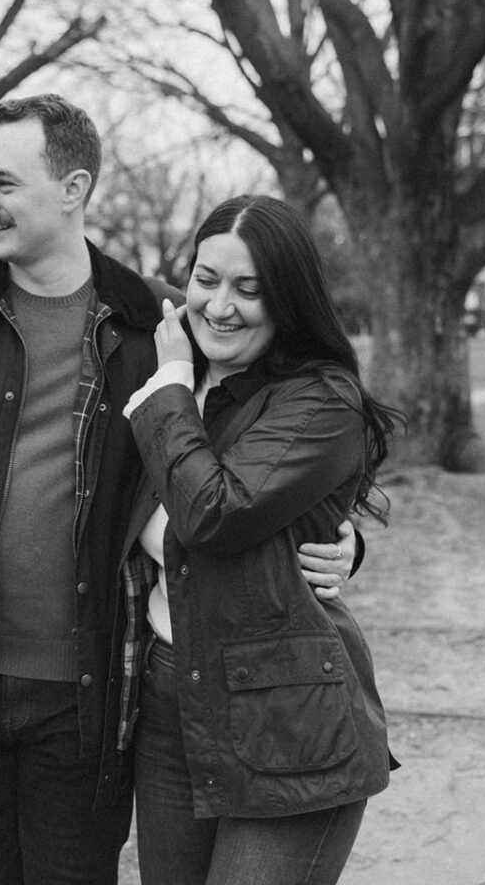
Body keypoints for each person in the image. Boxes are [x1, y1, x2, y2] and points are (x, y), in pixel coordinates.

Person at [0, 94, 361, 885]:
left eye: (6, 184)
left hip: (91, 692)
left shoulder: (152, 326)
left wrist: (342, 541)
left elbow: (241, 454)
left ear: (74, 187)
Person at [120, 194, 402, 885]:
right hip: (169, 693)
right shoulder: (185, 374)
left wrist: (168, 389)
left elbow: (214, 514)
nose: (220, 306)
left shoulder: (319, 399)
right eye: (207, 279)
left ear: (288, 301)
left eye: (250, 289)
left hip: (286, 714)